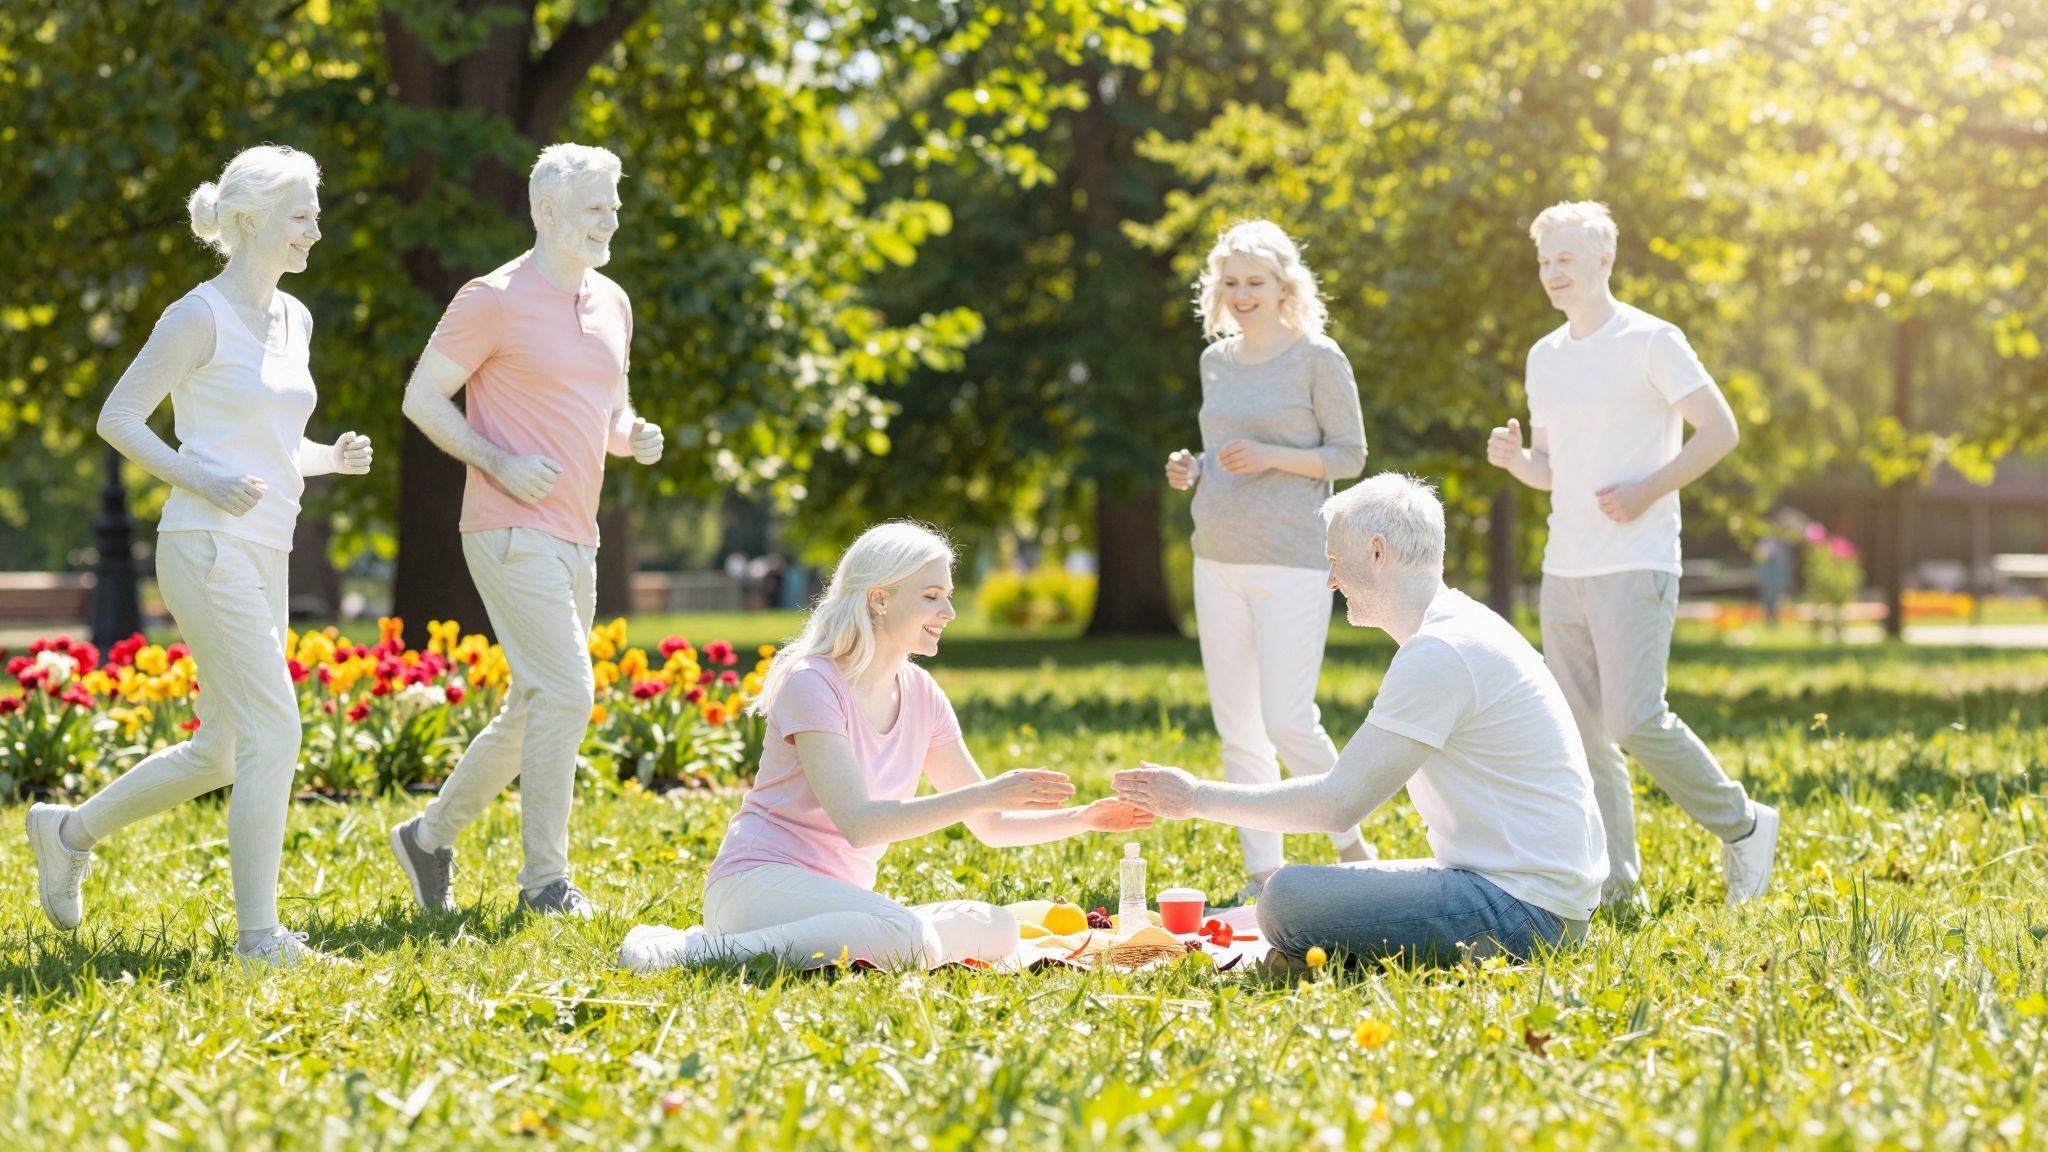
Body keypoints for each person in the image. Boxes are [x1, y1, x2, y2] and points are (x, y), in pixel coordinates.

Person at [26, 146, 374, 969]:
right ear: (250, 221)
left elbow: (270, 446)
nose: (315, 231)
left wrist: (328, 457)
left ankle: (67, 833)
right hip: (205, 543)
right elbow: (120, 417)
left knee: (221, 748)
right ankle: (259, 940)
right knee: (274, 731)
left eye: (315, 214)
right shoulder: (197, 316)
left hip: (267, 546)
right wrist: (202, 478)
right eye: (300, 216)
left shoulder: (296, 319)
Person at [619, 522, 1153, 973]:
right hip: (757, 886)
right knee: (908, 938)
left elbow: (989, 826)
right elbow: (860, 823)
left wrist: (1085, 818)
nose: (949, 610)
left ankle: (891, 936)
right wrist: (987, 792)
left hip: (841, 902)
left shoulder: (921, 693)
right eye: (932, 596)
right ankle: (684, 952)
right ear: (879, 599)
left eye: (947, 595)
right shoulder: (813, 682)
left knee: (997, 927)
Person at [1115, 475, 1607, 965]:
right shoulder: (1457, 629)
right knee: (1303, 893)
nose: (1329, 581)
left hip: (1524, 912)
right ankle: (1326, 958)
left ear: (1377, 552)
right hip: (1529, 897)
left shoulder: (1442, 651)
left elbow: (1336, 805)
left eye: (1334, 560)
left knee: (1286, 897)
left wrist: (1193, 798)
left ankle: (1318, 958)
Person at [387, 144, 664, 919]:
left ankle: (427, 839)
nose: (611, 219)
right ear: (546, 211)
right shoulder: (492, 298)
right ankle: (545, 883)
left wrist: (633, 435)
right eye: (595, 207)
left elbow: (610, 413)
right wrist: (499, 462)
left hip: (579, 533)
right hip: (507, 526)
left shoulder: (613, 302)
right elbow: (421, 398)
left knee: (532, 707)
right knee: (569, 692)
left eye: (614, 205)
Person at [1484, 200, 1777, 907]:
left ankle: (1742, 824)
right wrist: (1518, 461)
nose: (1553, 273)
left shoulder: (1652, 340)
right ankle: (1617, 885)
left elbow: (1721, 431)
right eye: (1544, 261)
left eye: (1566, 259)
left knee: (1634, 719)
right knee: (1583, 736)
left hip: (1636, 561)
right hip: (1565, 567)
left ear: (1605, 260)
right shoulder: (1545, 356)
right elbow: (1553, 468)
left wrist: (1647, 490)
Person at [1162, 219, 1373, 903]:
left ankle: (1353, 847)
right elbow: (1220, 450)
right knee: (1239, 731)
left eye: (1255, 281)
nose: (1242, 293)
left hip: (1292, 559)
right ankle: (1263, 875)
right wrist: (1193, 469)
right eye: (1231, 282)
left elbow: (1349, 455)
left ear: (1285, 286)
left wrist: (1272, 456)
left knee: (1288, 720)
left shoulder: (1318, 357)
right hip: (1216, 557)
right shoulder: (1216, 361)